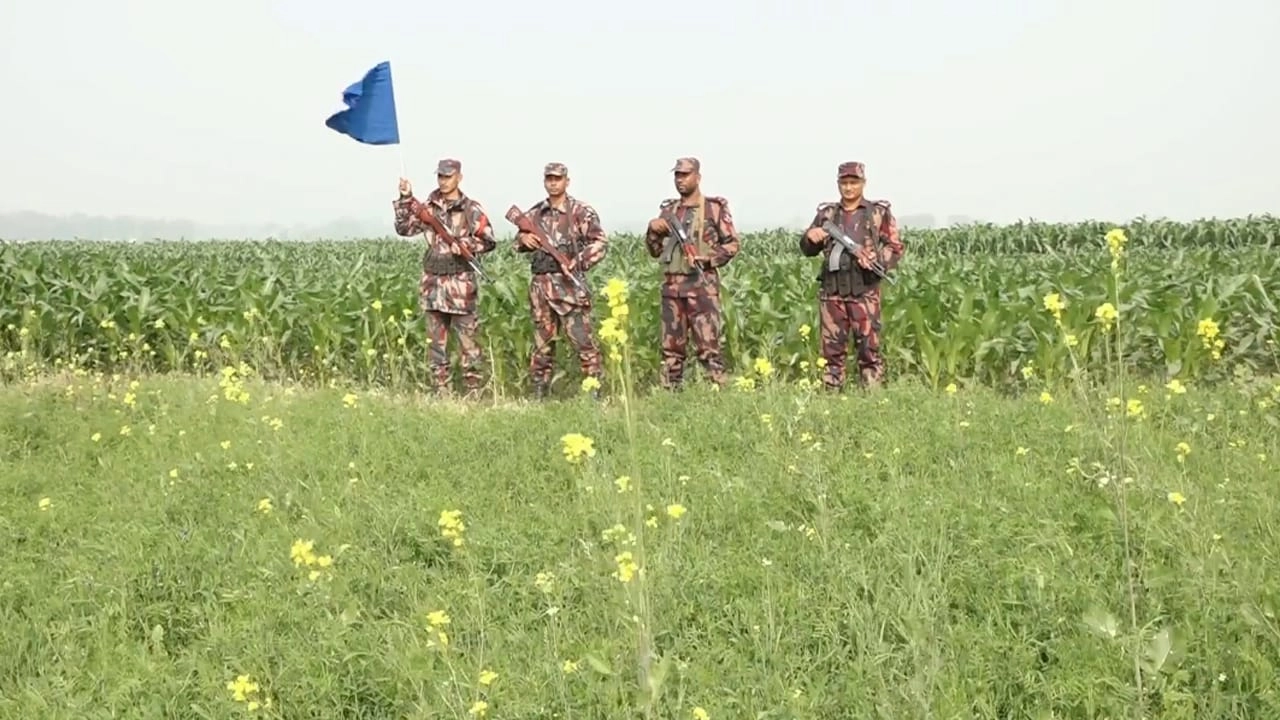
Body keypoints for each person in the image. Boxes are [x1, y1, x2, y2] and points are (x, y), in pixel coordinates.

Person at [393, 158, 497, 398]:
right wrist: (405, 199)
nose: (443, 180)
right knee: (435, 347)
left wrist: (465, 245)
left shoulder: (471, 208)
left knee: (469, 346)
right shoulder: (427, 208)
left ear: (459, 177)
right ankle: (442, 392)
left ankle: (473, 393)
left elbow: (489, 240)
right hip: (433, 286)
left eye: (448, 176)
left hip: (461, 287)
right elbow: (404, 229)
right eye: (440, 176)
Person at [798, 161, 904, 390]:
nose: (848, 188)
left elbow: (895, 247)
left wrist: (876, 259)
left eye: (853, 183)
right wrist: (811, 236)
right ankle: (831, 396)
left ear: (863, 183)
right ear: (838, 184)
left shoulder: (878, 213)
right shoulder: (827, 214)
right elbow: (808, 249)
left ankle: (873, 397)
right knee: (831, 354)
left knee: (869, 350)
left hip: (864, 292)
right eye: (844, 183)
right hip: (833, 292)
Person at [643, 157, 741, 390]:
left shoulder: (713, 208)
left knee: (709, 349)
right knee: (671, 352)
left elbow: (732, 244)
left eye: (685, 175)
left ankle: (716, 394)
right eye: (677, 175)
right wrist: (652, 231)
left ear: (698, 177)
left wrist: (707, 259)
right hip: (672, 290)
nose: (680, 180)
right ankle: (670, 396)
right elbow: (655, 252)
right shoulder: (668, 210)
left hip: (701, 288)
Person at [513, 162, 609, 400]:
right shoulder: (535, 213)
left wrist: (578, 261)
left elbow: (600, 243)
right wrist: (524, 239)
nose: (553, 183)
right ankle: (539, 393)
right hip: (541, 287)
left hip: (569, 288)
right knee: (542, 344)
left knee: (583, 342)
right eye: (549, 179)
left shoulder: (580, 212)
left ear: (567, 181)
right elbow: (517, 242)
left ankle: (593, 394)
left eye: (558, 178)